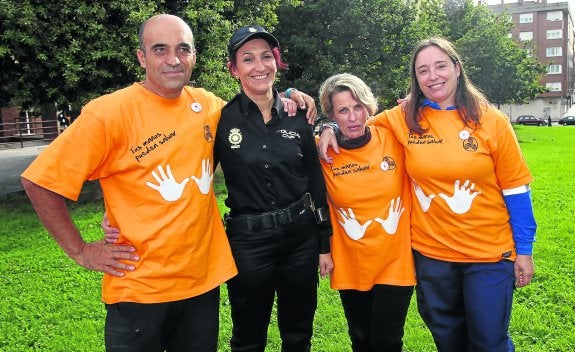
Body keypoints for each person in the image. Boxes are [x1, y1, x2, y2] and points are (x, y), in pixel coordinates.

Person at [21, 14, 315, 352]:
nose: (173, 59)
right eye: (159, 49)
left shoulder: (207, 106)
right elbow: (40, 183)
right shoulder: (108, 113)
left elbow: (256, 110)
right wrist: (81, 250)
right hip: (140, 290)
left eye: (182, 49)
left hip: (201, 287)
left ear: (194, 56)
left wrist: (292, 95)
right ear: (141, 57)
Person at [319, 37, 536, 352]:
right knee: (446, 337)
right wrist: (325, 127)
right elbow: (357, 124)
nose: (433, 76)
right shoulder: (404, 117)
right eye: (423, 70)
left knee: (488, 340)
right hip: (432, 255)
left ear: (457, 68)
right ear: (415, 79)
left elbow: (516, 189)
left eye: (440, 66)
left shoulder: (492, 120)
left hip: (488, 254)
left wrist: (525, 249)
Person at [217, 25, 331, 352]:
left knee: (298, 334)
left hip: (300, 239)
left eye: (266, 57)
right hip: (248, 243)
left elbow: (314, 179)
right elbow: (194, 173)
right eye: (248, 59)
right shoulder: (221, 120)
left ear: (276, 62)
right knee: (248, 338)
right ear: (234, 68)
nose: (260, 66)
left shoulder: (299, 117)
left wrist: (323, 241)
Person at [317, 73, 415, 351]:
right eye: (343, 110)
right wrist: (323, 127)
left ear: (369, 107)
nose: (352, 117)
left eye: (358, 107)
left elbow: (429, 105)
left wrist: (416, 100)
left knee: (387, 340)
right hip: (352, 262)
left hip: (395, 261)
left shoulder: (393, 136)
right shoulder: (324, 152)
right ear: (332, 115)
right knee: (360, 339)